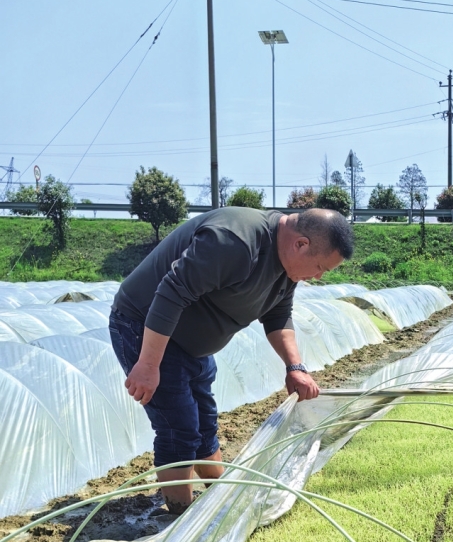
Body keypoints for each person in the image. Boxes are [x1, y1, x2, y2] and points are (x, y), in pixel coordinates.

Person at [109, 206, 353, 513]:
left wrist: (295, 367)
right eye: (319, 267)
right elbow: (170, 293)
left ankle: (220, 498)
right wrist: (147, 365)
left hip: (192, 345)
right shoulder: (234, 241)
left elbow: (278, 316)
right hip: (144, 327)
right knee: (179, 427)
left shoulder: (288, 266)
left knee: (204, 422)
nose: (316, 277)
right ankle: (179, 517)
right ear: (301, 244)